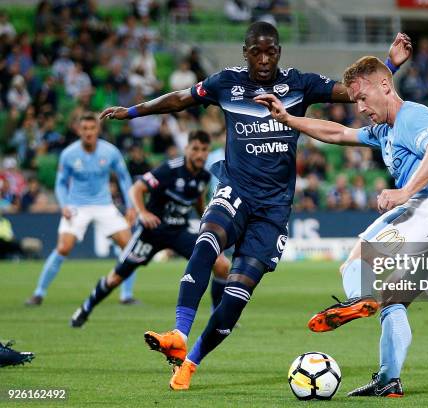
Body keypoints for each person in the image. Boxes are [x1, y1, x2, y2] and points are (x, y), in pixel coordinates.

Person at [100, 21, 412, 390]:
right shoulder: (224, 83)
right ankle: (178, 334)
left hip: (274, 209)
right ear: (245, 52)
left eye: (271, 52)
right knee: (207, 243)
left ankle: (190, 363)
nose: (264, 59)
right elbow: (181, 98)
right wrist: (132, 112)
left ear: (279, 52)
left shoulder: (300, 83)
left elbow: (352, 93)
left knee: (235, 297)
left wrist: (389, 67)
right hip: (235, 189)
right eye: (257, 52)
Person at [254, 55, 428, 397]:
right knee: (394, 300)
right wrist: (288, 119)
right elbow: (338, 132)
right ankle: (389, 379)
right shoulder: (384, 131)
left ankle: (358, 297)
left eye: (362, 97)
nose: (359, 106)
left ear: (385, 86)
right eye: (355, 99)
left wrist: (405, 191)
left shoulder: (412, 115)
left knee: (357, 257)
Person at [70, 131, 231, 328]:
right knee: (116, 278)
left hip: (178, 232)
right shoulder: (169, 169)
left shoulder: (204, 176)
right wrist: (142, 212)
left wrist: (208, 222)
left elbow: (198, 200)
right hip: (151, 232)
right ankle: (85, 308)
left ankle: (217, 316)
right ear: (186, 149)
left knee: (222, 264)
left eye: (204, 150)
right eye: (195, 149)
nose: (199, 154)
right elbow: (136, 189)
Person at [25, 113, 137, 306]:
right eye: (84, 129)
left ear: (98, 130)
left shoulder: (110, 152)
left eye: (92, 129)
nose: (88, 133)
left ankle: (126, 296)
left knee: (129, 247)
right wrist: (64, 205)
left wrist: (130, 206)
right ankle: (38, 293)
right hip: (77, 206)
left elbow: (124, 178)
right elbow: (60, 184)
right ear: (79, 130)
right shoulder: (69, 154)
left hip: (104, 205)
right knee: (63, 247)